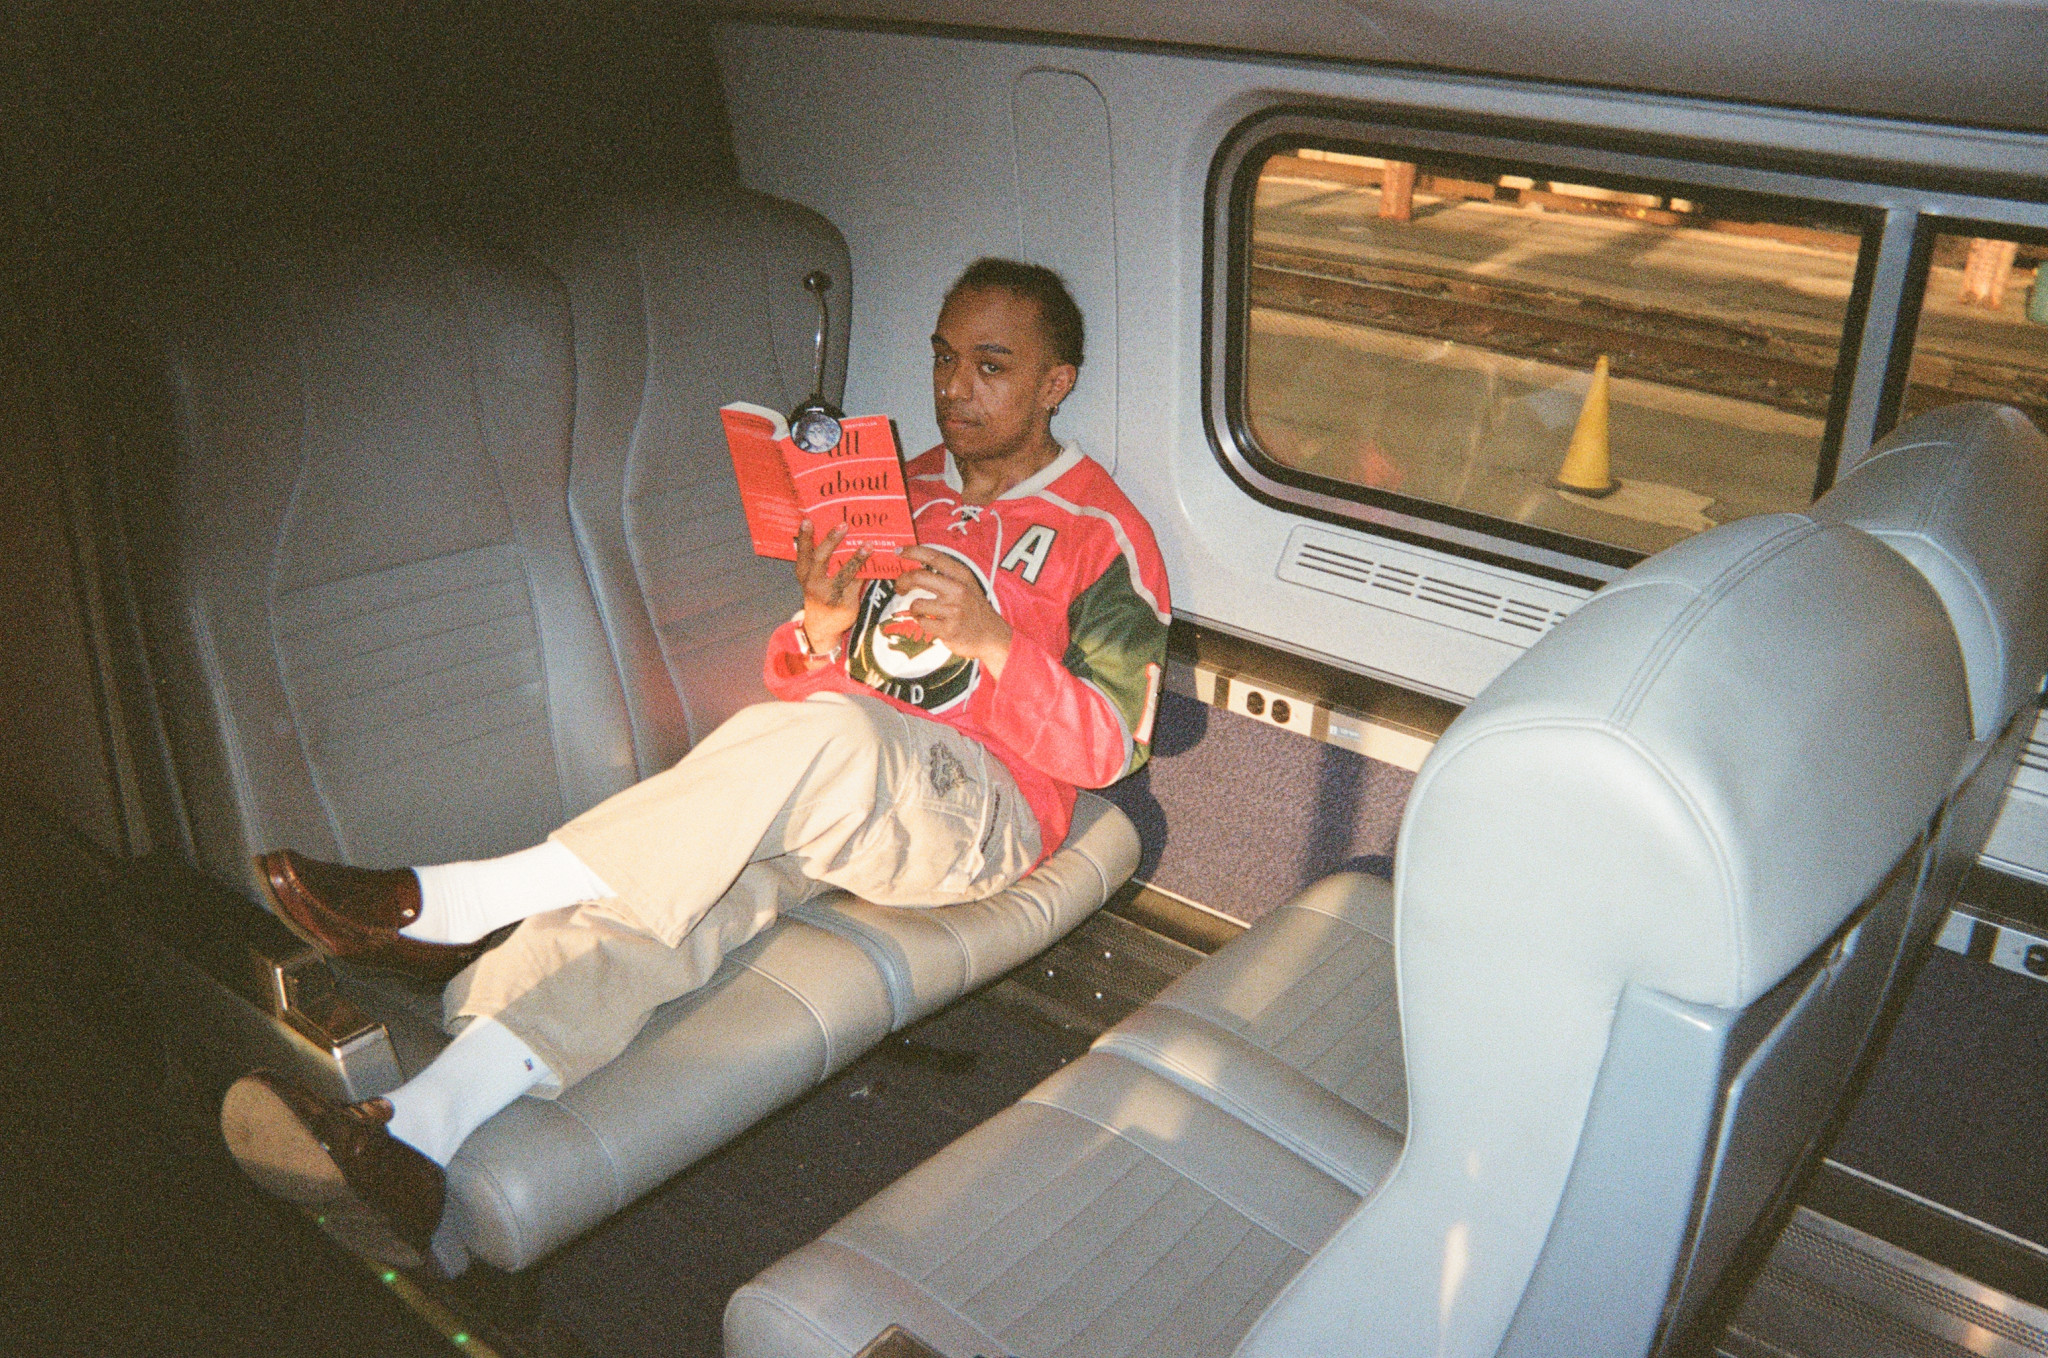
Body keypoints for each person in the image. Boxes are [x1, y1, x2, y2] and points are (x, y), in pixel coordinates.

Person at [220, 258, 1171, 1268]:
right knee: (657, 897)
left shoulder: (1102, 532)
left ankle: (463, 900)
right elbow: (811, 686)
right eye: (943, 359)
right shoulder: (899, 487)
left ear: (1054, 383)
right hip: (842, 789)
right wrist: (821, 623)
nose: (953, 388)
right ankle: (413, 1134)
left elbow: (1110, 745)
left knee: (835, 742)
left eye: (990, 366)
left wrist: (995, 644)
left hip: (976, 812)